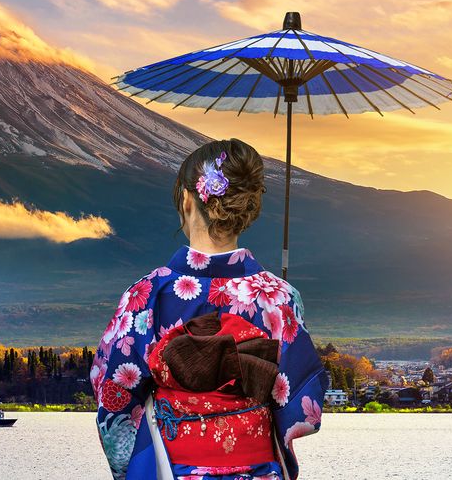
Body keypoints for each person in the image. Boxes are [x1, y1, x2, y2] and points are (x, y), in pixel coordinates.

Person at [91, 139, 325, 480]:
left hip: (174, 469)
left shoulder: (148, 294)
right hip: (258, 471)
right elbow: (306, 408)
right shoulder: (280, 297)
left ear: (187, 200)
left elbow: (113, 396)